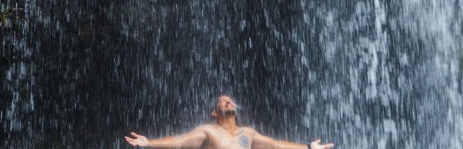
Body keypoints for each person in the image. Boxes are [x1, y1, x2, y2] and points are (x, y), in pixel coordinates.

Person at [124, 94, 334, 149]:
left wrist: (307, 147)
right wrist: (149, 142)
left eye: (230, 99)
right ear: (214, 113)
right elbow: (181, 140)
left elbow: (275, 145)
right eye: (222, 101)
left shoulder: (248, 134)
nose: (228, 101)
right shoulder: (208, 132)